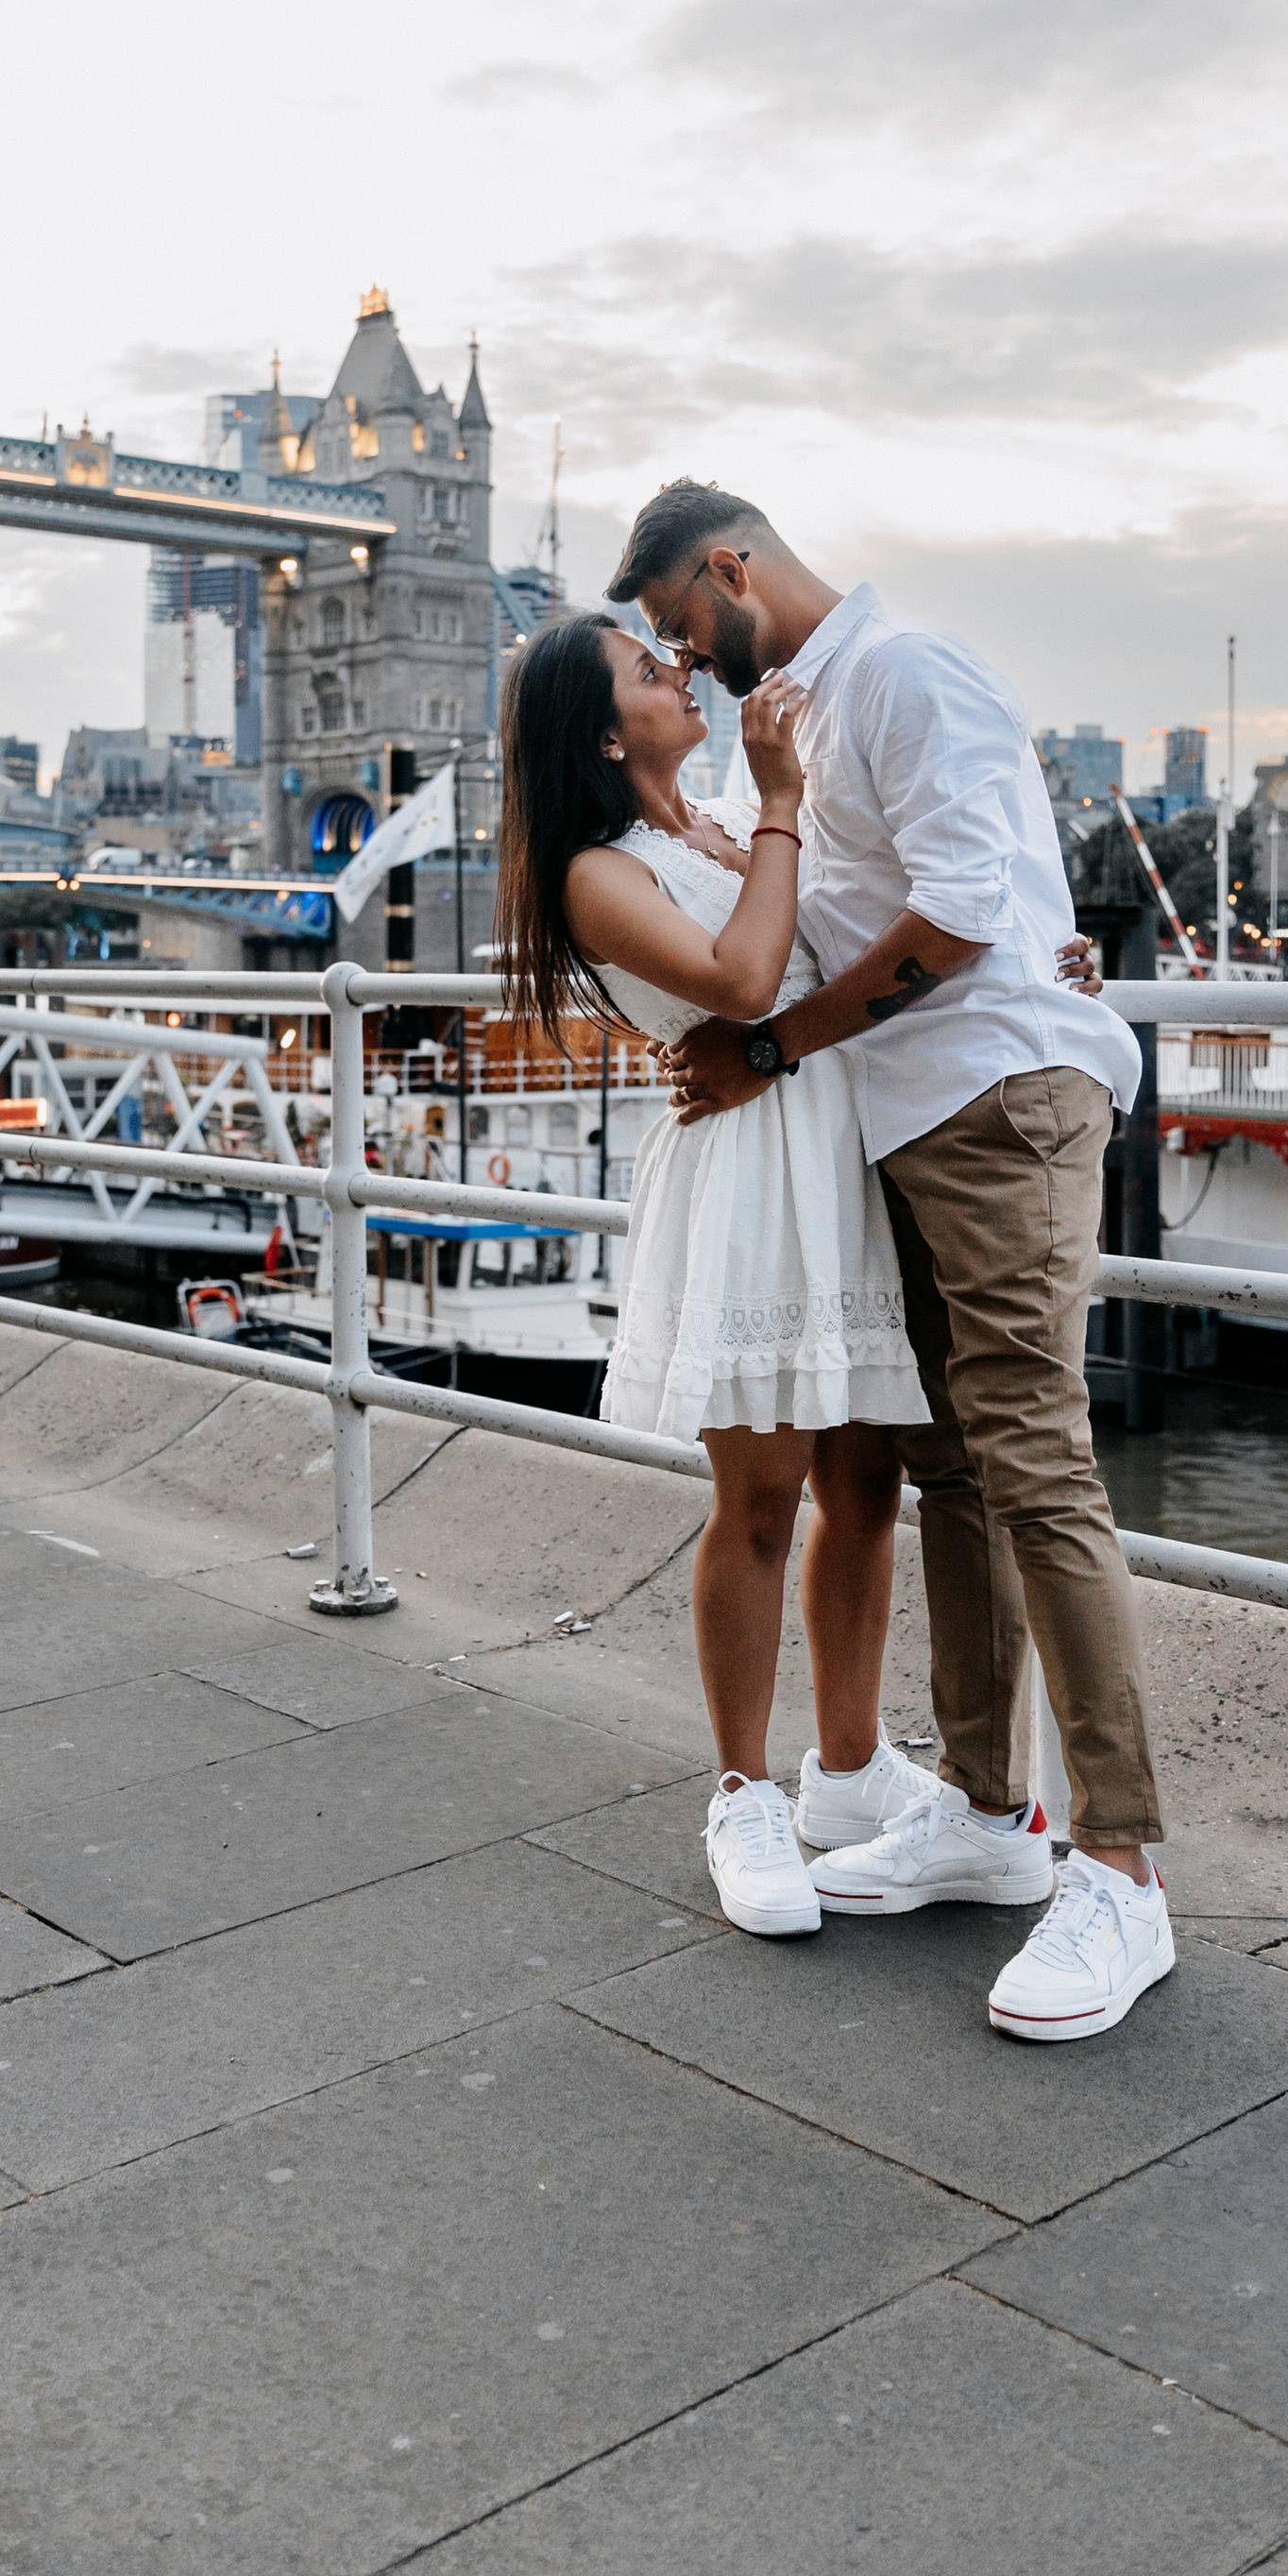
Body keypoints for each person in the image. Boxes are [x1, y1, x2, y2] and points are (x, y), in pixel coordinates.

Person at [614, 480, 1173, 2045]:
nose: (683, 654)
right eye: (662, 645)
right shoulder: (783, 718)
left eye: (677, 623)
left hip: (995, 1102)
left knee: (1037, 1465)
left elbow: (970, 914)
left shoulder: (907, 670)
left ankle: (1120, 1866)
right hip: (902, 1123)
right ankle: (992, 1816)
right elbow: (810, 902)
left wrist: (775, 1047)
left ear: (730, 566)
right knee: (962, 1475)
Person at [496, 610, 1099, 1949]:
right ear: (605, 735)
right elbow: (748, 975)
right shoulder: (602, 870)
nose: (678, 675)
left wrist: (1042, 963)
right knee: (759, 1499)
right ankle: (740, 1789)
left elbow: (889, 916)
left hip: (844, 1152)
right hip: (755, 1176)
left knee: (868, 1482)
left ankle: (844, 1769)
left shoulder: (721, 822)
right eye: (647, 677)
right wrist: (779, 800)